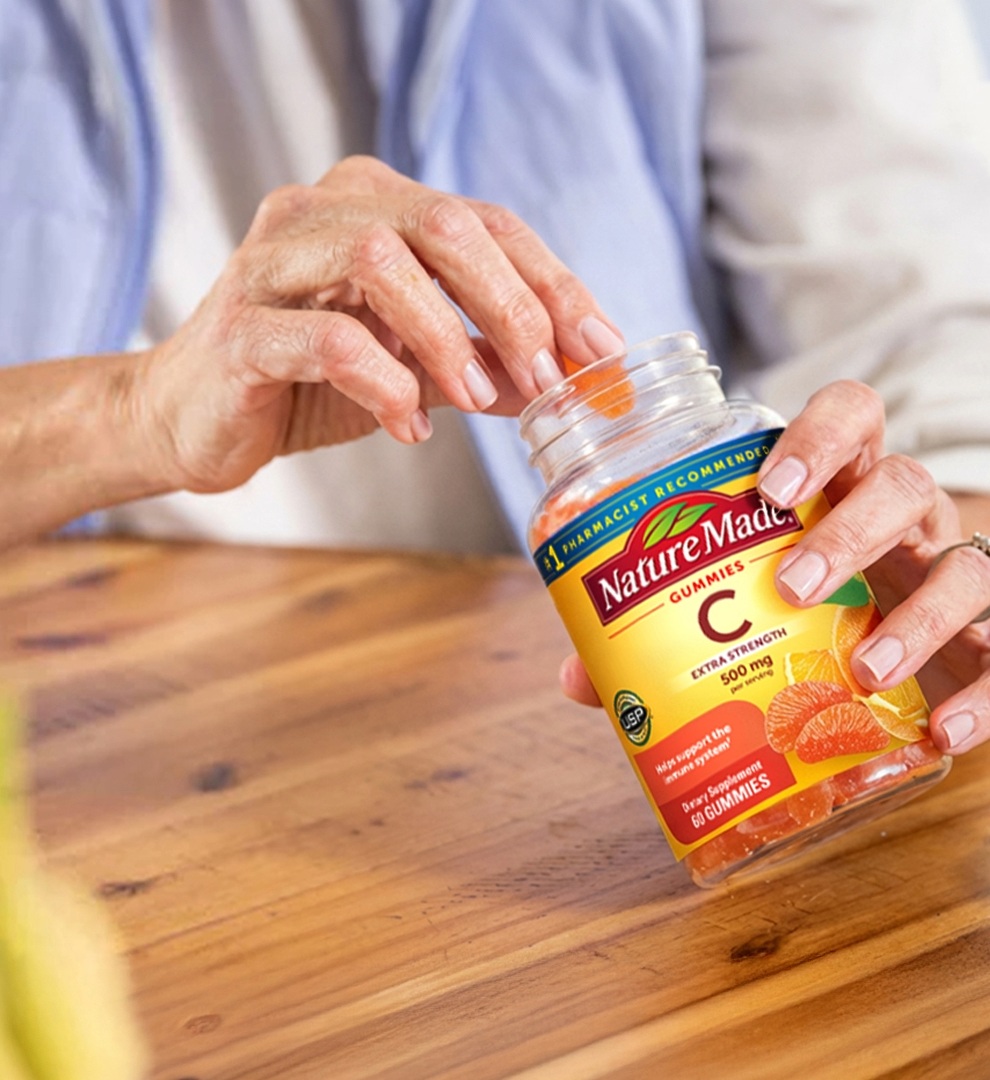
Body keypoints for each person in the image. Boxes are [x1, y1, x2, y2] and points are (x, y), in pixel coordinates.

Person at [1, 1, 989, 754]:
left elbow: (933, 337)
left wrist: (934, 557)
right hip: (96, 727)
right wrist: (131, 413)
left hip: (558, 744)